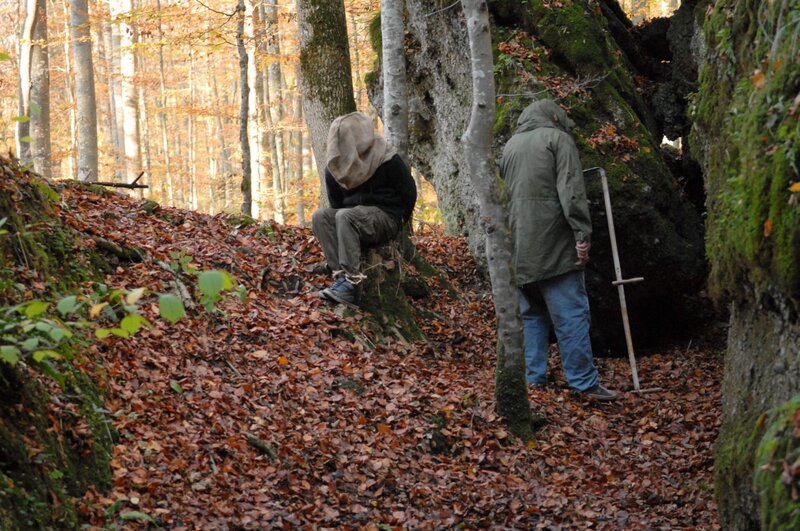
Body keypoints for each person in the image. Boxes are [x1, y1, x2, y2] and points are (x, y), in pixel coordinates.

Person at [499, 99, 618, 401]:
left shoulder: (510, 145)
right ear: (555, 118)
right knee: (571, 315)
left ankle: (533, 382)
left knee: (531, 315)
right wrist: (582, 234)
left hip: (517, 247)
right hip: (553, 245)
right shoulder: (558, 140)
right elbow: (571, 191)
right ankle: (584, 383)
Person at [312, 112, 417, 306]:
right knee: (321, 216)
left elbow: (408, 193)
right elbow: (335, 204)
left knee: (345, 216)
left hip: (386, 216)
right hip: (352, 219)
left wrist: (399, 221)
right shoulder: (336, 167)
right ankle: (341, 276)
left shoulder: (386, 158)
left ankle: (352, 283)